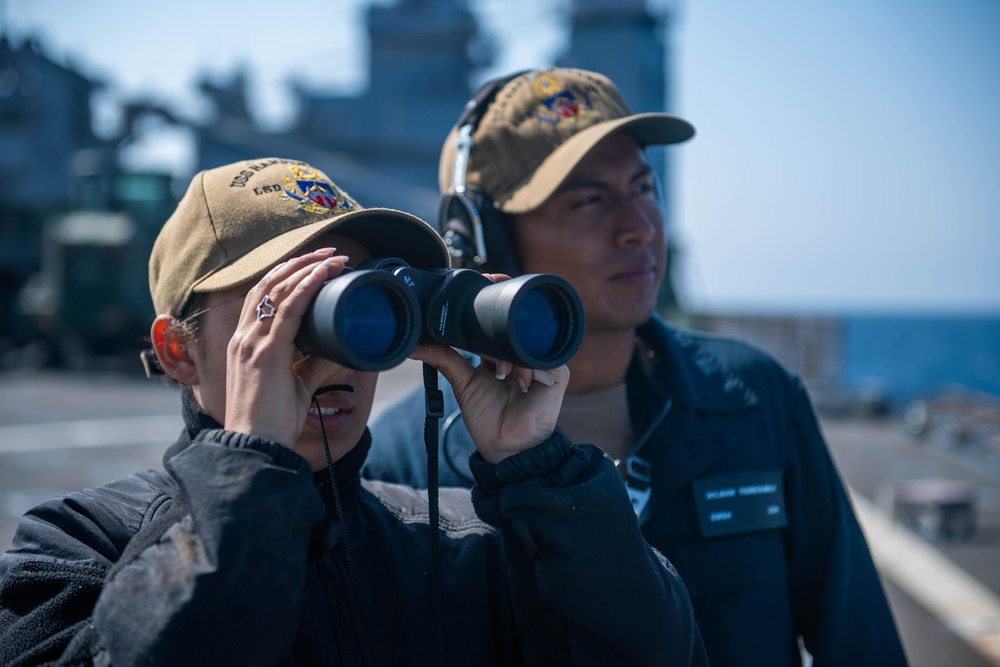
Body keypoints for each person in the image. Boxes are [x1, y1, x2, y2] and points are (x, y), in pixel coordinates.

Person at [0, 158, 707, 665]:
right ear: (178, 351)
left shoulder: (464, 543)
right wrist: (248, 465)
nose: (335, 358)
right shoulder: (74, 549)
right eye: (285, 314)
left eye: (357, 307)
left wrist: (539, 474)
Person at [363, 68, 909, 666]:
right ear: (483, 238)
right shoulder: (405, 461)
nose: (639, 228)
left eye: (644, 189)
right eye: (590, 200)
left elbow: (859, 639)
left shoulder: (756, 397)